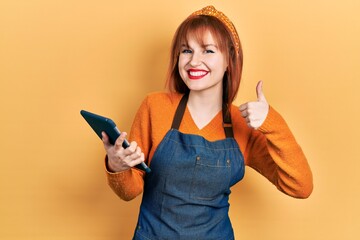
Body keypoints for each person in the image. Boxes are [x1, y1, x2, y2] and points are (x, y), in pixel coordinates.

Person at [101, 5, 313, 240]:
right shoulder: (155, 106)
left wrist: (272, 122)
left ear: (229, 61)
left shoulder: (243, 124)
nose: (194, 61)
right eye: (186, 51)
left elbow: (301, 187)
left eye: (208, 51)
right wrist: (117, 166)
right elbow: (130, 191)